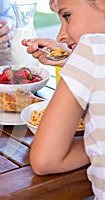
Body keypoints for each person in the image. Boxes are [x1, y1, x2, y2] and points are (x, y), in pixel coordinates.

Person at [29, 0, 105, 198]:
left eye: (67, 16)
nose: (60, 35)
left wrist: (81, 60)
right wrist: (74, 61)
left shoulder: (92, 51)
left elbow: (45, 160)